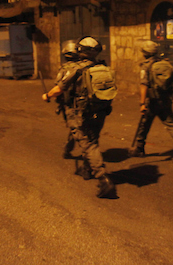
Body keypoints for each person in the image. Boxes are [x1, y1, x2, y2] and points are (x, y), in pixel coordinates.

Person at [42, 36, 117, 199]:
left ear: (80, 50)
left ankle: (103, 179)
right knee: (92, 139)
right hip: (101, 111)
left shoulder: (76, 69)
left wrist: (47, 95)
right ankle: (87, 169)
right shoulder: (103, 67)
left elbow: (59, 89)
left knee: (88, 143)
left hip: (83, 113)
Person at [128, 40, 173, 165]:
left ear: (145, 53)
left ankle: (139, 148)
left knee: (144, 124)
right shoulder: (164, 63)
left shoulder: (146, 66)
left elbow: (144, 85)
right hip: (165, 100)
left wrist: (142, 104)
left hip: (152, 101)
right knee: (172, 125)